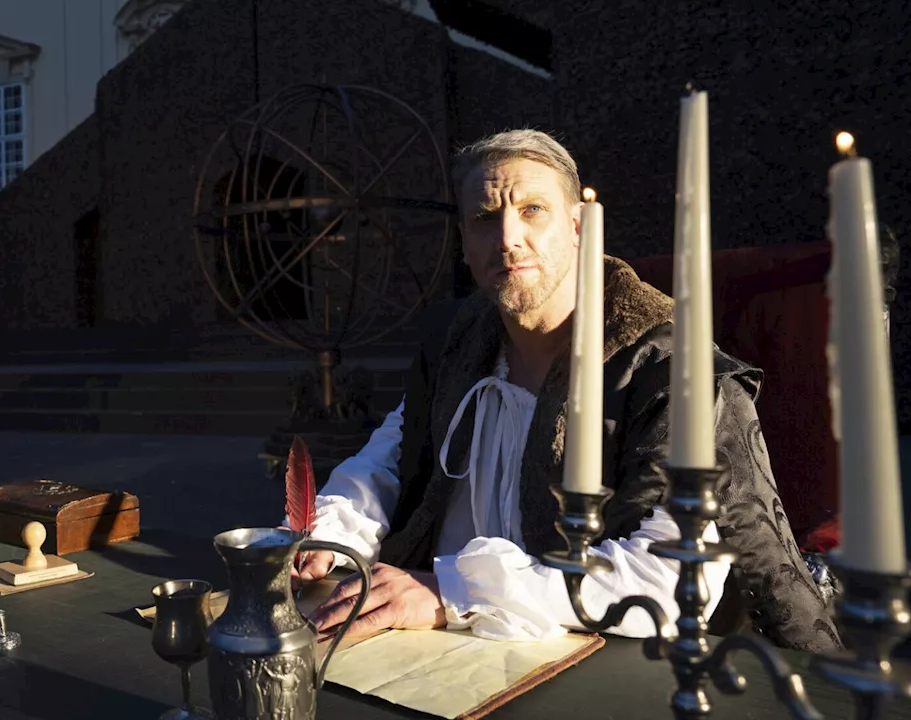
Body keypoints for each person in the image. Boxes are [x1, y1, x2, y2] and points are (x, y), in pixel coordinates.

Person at [295, 129, 842, 653]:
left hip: (590, 658)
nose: (508, 238)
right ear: (464, 243)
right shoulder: (456, 341)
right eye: (485, 218)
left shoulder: (666, 370)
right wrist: (330, 532)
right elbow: (388, 457)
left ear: (578, 226)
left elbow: (670, 579)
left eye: (532, 210)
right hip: (421, 645)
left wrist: (455, 593)